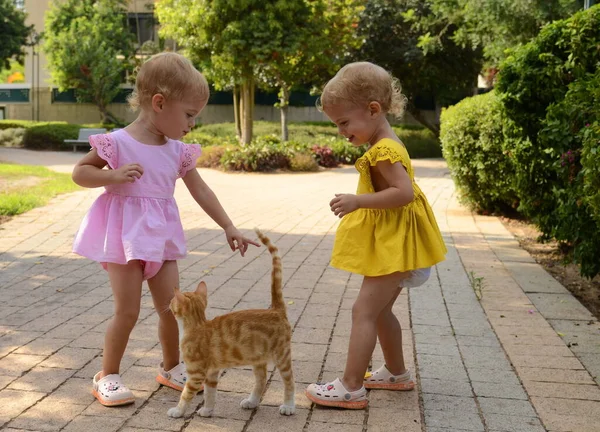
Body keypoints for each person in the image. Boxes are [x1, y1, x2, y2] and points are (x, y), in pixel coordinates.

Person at [71, 52, 259, 406]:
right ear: (159, 103)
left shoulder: (178, 151)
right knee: (127, 311)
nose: (192, 124)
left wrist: (229, 225)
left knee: (173, 309)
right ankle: (107, 375)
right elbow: (80, 172)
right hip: (125, 242)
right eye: (189, 115)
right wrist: (111, 175)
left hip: (162, 241)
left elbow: (201, 190)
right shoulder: (118, 143)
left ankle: (172, 367)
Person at [305, 62, 447, 409]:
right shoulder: (385, 142)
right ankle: (396, 373)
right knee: (380, 311)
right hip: (397, 244)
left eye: (344, 122)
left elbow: (404, 193)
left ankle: (351, 386)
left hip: (395, 247)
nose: (341, 131)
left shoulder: (384, 150)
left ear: (373, 109)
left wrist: (358, 201)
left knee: (363, 311)